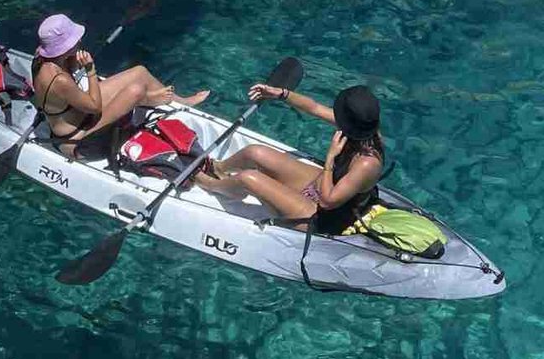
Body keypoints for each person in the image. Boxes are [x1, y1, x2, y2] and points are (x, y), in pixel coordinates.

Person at [196, 81, 386, 234]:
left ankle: (210, 185)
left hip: (321, 216)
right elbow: (315, 108)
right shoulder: (360, 129)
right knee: (254, 152)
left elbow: (328, 202)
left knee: (248, 178)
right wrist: (281, 93)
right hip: (315, 186)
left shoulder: (367, 163)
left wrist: (330, 158)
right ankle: (218, 168)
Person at [30, 13, 208, 151]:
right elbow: (95, 107)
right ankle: (150, 98)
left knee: (139, 72)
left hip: (81, 114)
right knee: (135, 91)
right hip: (76, 136)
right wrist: (91, 71)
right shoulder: (59, 80)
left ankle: (182, 101)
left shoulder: (41, 58)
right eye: (75, 39)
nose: (79, 40)